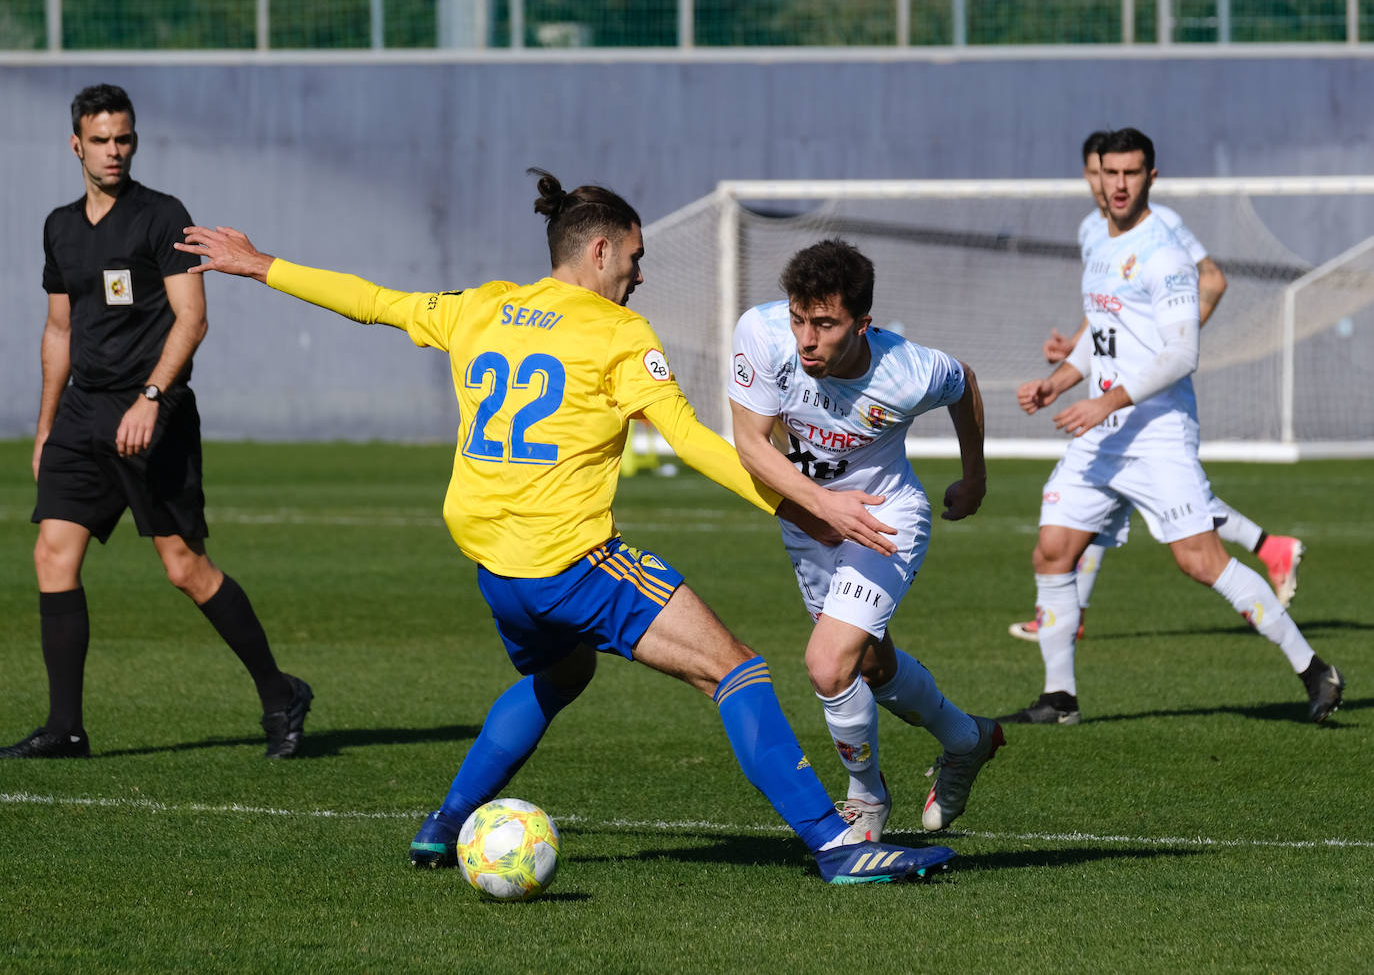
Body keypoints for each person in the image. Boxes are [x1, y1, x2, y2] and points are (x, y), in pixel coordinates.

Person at [175, 169, 956, 884]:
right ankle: (835, 845)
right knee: (737, 670)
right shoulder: (619, 336)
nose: (641, 275)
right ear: (601, 248)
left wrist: (264, 265)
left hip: (497, 571)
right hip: (573, 562)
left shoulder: (479, 307)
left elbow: (373, 301)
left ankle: (443, 826)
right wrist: (810, 507)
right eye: (636, 258)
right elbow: (692, 442)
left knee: (560, 674)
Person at [2, 84, 311, 761]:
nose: (115, 151)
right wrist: (46, 423)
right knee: (52, 554)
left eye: (125, 138)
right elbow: (58, 331)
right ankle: (64, 728)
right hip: (81, 411)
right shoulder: (58, 226)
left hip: (152, 410)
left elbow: (193, 317)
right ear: (76, 144)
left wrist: (149, 397)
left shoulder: (161, 216)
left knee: (183, 568)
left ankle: (280, 693)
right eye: (102, 139)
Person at [999, 128, 1344, 726]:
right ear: (1095, 175)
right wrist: (1059, 380)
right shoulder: (1092, 235)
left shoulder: (1164, 253)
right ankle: (1060, 698)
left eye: (1132, 173)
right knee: (1053, 549)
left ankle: (1314, 670)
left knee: (1200, 560)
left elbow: (1181, 354)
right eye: (1110, 173)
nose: (1119, 184)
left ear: (1151, 178)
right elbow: (1105, 334)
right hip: (1105, 430)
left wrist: (1103, 404)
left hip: (1157, 431)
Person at [728, 239, 1004, 841]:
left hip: (885, 519)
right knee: (869, 669)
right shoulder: (763, 333)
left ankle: (865, 801)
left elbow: (966, 384)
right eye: (800, 318)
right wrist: (822, 508)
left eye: (825, 324)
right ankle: (968, 740)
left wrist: (975, 479)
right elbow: (749, 444)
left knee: (827, 665)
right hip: (809, 522)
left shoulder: (906, 371)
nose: (806, 339)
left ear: (862, 324)